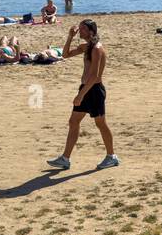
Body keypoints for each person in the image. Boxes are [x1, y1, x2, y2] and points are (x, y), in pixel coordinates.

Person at [48, 19, 118, 170]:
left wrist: (80, 95)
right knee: (73, 122)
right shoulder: (86, 47)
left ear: (91, 31)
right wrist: (70, 37)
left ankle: (111, 156)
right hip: (86, 88)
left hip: (94, 90)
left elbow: (94, 76)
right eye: (79, 28)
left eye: (83, 29)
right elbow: (65, 55)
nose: (80, 31)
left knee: (100, 123)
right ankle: (65, 158)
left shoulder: (97, 49)